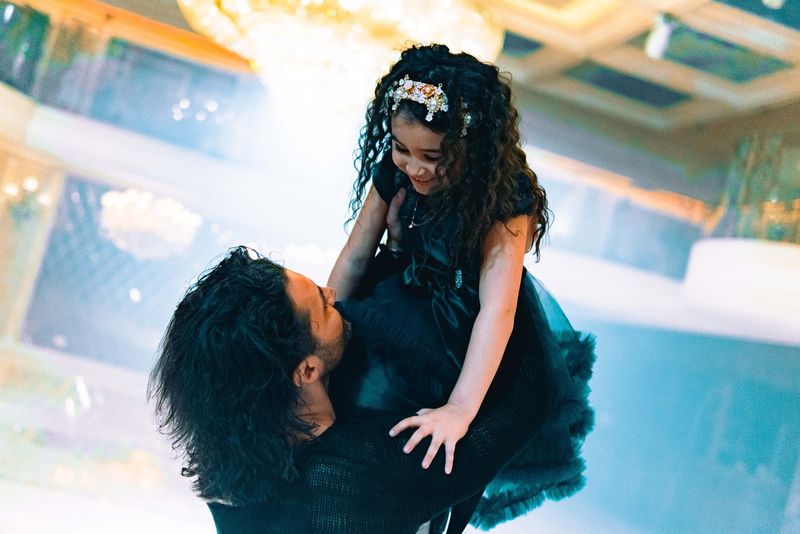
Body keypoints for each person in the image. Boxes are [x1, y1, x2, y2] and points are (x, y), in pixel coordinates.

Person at [326, 43, 595, 529]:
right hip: (392, 303)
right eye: (401, 149)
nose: (416, 168)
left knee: (428, 454)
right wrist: (324, 329)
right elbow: (356, 255)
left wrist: (460, 408)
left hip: (464, 331)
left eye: (434, 156)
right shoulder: (394, 173)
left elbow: (498, 309)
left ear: (472, 144)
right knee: (348, 407)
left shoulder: (505, 196)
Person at [148, 246, 564, 533]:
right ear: (306, 370)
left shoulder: (226, 487)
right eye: (323, 304)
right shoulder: (374, 471)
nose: (334, 294)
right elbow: (527, 402)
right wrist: (501, 267)